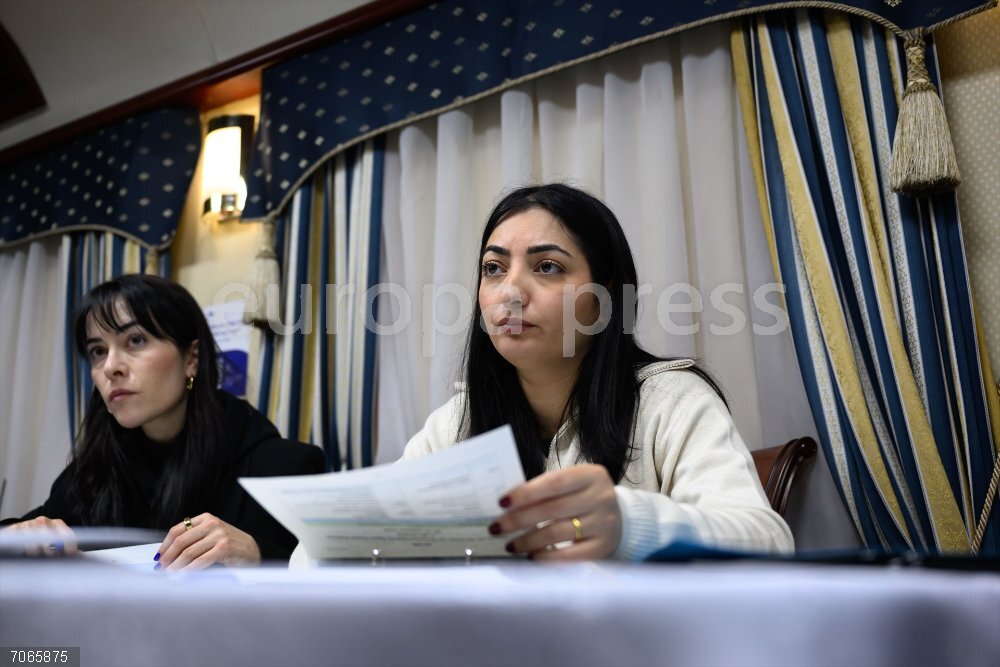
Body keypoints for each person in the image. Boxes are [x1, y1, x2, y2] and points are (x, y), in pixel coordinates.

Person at [403, 183, 794, 560]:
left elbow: (766, 539)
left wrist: (628, 523)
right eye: (493, 268)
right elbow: (388, 533)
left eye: (548, 266)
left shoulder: (670, 401)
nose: (510, 292)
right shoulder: (455, 422)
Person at [1, 274, 325, 568]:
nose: (111, 366)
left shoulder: (283, 466)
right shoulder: (93, 472)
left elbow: (339, 581)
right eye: (98, 351)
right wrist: (21, 535)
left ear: (192, 359)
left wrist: (257, 554)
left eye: (135, 341)